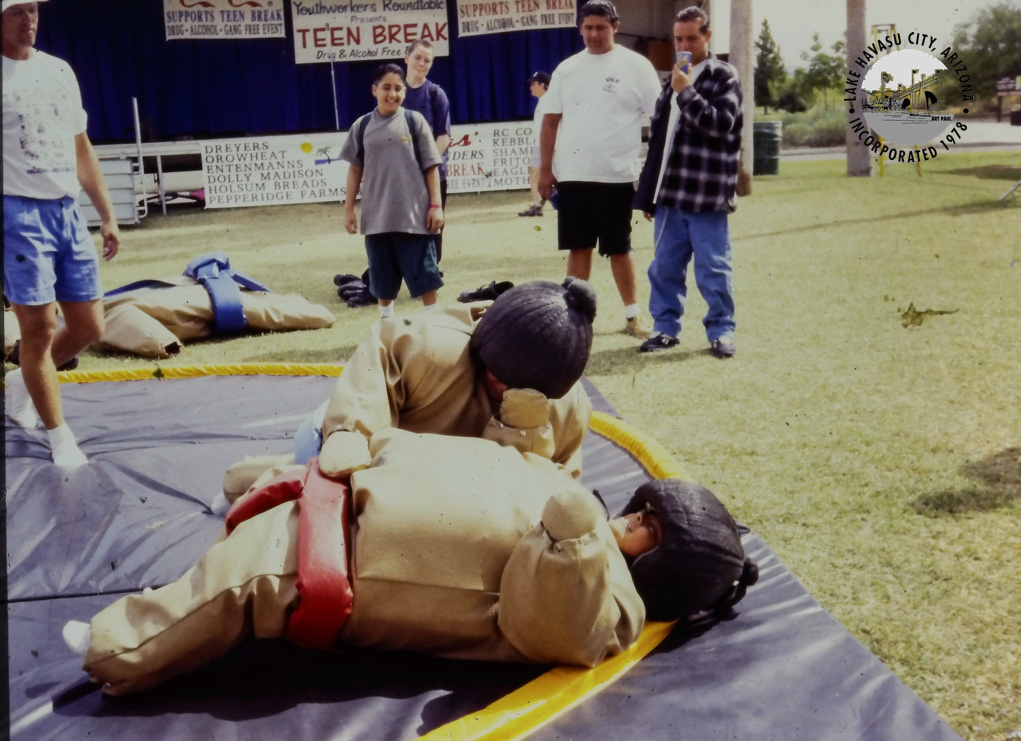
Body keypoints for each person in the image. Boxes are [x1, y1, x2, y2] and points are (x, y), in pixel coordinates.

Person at [63, 428, 757, 696]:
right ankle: (251, 484)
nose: (633, 519)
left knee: (234, 583)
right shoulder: (582, 499)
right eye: (644, 508)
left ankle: (113, 646)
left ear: (665, 571)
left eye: (650, 529)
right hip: (356, 484)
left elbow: (546, 621)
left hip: (340, 558)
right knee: (271, 478)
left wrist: (574, 546)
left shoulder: (611, 608)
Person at [222, 278, 598, 498]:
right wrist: (350, 435)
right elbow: (373, 372)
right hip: (360, 441)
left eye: (519, 387)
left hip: (442, 484)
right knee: (308, 480)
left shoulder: (567, 411)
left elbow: (561, 489)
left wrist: (524, 424)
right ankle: (257, 474)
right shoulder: (429, 347)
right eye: (498, 376)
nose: (503, 388)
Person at [3, 0, 121, 469]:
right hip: (17, 213)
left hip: (66, 210)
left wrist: (106, 214)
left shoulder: (58, 71)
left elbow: (81, 147)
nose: (28, 19)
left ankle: (21, 381)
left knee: (90, 325)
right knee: (38, 330)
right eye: (16, 12)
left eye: (32, 10)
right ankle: (59, 437)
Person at [538, 0, 662, 340]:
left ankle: (633, 316)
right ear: (580, 28)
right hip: (573, 175)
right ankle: (573, 320)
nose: (594, 34)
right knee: (578, 248)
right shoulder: (566, 69)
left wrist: (653, 172)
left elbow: (660, 117)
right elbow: (550, 122)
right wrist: (546, 170)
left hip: (616, 175)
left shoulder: (636, 65)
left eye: (601, 28)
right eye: (588, 27)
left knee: (620, 248)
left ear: (615, 26)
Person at [632, 7, 743, 358]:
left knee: (713, 268)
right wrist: (649, 194)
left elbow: (720, 123)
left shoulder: (723, 76)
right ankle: (665, 329)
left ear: (707, 36)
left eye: (691, 38)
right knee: (664, 267)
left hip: (707, 194)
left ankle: (721, 332)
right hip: (671, 195)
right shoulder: (672, 80)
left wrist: (686, 92)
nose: (683, 45)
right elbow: (660, 140)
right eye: (678, 39)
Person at [341, 63, 444, 319]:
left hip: (414, 219)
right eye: (386, 88)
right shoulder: (362, 125)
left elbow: (431, 167)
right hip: (377, 220)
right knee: (382, 281)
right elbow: (355, 170)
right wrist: (348, 210)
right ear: (374, 90)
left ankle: (434, 325)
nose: (392, 94)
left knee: (426, 277)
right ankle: (387, 325)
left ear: (405, 92)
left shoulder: (414, 121)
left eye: (398, 88)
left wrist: (436, 206)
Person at [403, 39, 452, 264]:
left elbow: (443, 136)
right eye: (418, 58)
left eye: (427, 60)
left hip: (431, 176)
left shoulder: (435, 94)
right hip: (401, 177)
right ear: (406, 58)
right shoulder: (394, 93)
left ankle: (431, 272)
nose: (422, 64)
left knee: (432, 227)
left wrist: (425, 165)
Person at [519, 71, 550, 217]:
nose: (531, 87)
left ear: (542, 85)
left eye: (533, 84)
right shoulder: (542, 101)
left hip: (547, 145)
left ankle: (539, 205)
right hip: (541, 145)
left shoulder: (548, 102)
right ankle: (537, 205)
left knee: (552, 177)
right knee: (534, 173)